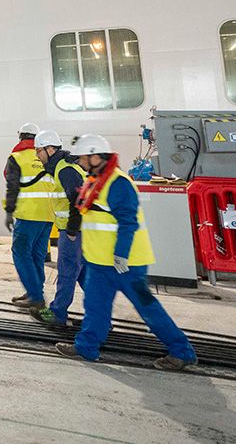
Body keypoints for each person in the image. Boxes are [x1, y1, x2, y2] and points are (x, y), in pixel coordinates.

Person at [56, 135, 197, 371]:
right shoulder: (94, 181)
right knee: (94, 306)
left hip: (127, 264)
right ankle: (86, 347)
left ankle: (182, 351)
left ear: (95, 156)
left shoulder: (119, 183)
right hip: (100, 262)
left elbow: (128, 223)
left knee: (147, 308)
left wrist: (121, 255)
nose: (79, 162)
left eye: (82, 158)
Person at [31, 130, 84, 326]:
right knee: (84, 275)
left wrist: (71, 230)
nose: (37, 155)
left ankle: (58, 313)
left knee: (67, 271)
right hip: (80, 231)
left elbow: (77, 200)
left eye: (39, 150)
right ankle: (99, 316)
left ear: (50, 149)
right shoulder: (63, 167)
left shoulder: (65, 170)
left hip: (73, 232)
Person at [4, 123, 56, 310]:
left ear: (20, 137)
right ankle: (35, 290)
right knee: (37, 254)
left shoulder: (17, 157)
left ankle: (35, 296)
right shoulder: (47, 157)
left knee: (20, 253)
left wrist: (9, 211)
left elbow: (12, 186)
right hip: (49, 215)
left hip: (28, 214)